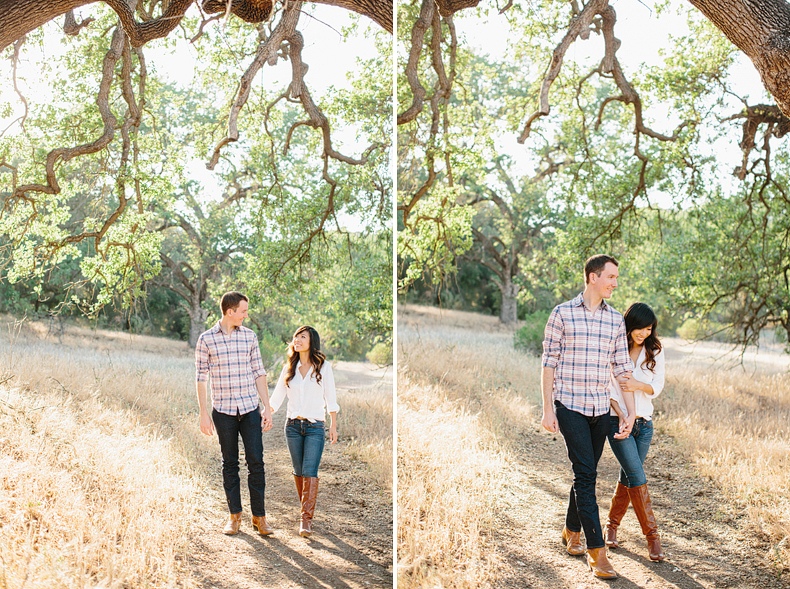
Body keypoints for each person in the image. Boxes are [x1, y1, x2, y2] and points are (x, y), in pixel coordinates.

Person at [541, 254, 633, 580]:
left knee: (587, 472)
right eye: (611, 277)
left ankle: (570, 530)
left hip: (600, 409)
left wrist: (630, 411)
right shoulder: (562, 314)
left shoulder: (615, 321)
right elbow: (548, 362)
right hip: (569, 406)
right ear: (593, 277)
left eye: (616, 278)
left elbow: (622, 369)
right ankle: (598, 553)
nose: (615, 283)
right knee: (586, 476)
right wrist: (547, 408)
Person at [195, 291, 275, 536]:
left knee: (256, 463)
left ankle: (259, 518)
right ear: (230, 312)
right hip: (223, 411)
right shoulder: (206, 340)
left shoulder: (249, 337)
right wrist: (203, 413)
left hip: (250, 408)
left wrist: (267, 407)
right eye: (243, 311)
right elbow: (200, 379)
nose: (246, 315)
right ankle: (234, 516)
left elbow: (259, 372)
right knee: (229, 463)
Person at [604, 302, 666, 561]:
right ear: (630, 325)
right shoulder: (614, 347)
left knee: (629, 476)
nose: (643, 333)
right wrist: (621, 415)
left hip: (645, 425)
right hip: (618, 421)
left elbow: (658, 386)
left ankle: (611, 526)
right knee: (637, 475)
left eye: (648, 328)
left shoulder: (655, 350)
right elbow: (607, 389)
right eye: (639, 328)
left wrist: (638, 383)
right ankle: (653, 539)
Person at [270, 325, 339, 537]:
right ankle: (305, 512)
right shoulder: (288, 368)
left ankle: (305, 520)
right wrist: (265, 414)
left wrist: (333, 424)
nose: (297, 340)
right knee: (299, 471)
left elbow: (331, 397)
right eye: (296, 337)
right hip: (292, 427)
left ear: (311, 341)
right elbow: (276, 398)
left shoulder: (323, 367)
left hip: (315, 427)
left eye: (303, 336)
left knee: (310, 471)